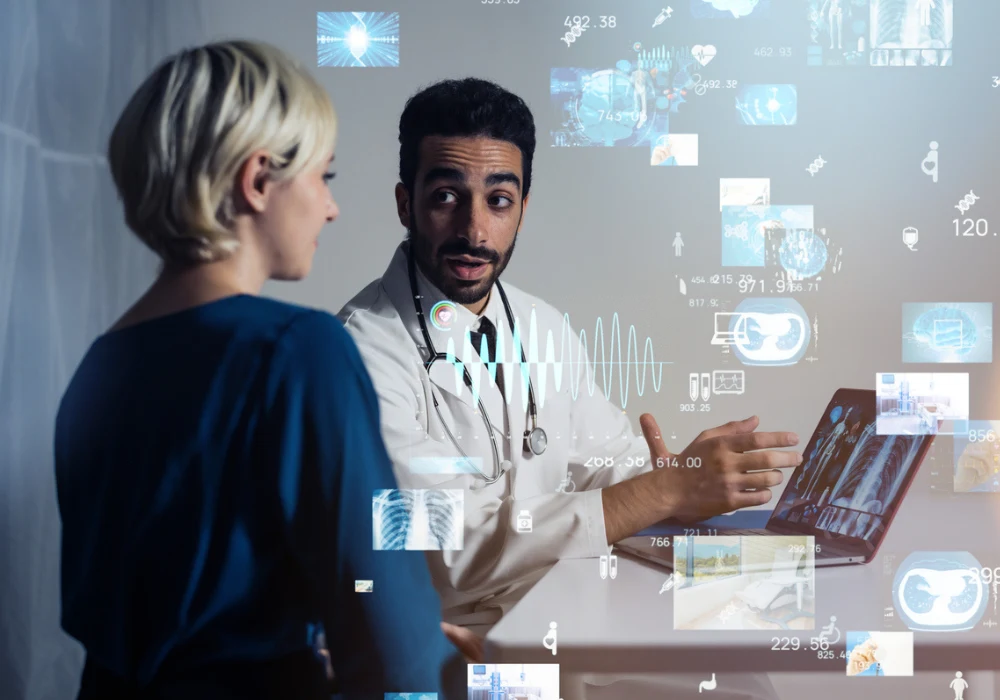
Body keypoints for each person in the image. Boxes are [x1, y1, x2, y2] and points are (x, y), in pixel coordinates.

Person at [338, 77, 802, 699]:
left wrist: (674, 474)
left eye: (499, 201)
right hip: (448, 645)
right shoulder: (361, 349)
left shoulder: (541, 326)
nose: (474, 229)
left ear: (523, 207)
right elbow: (442, 548)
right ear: (405, 203)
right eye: (447, 195)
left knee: (743, 678)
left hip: (565, 611)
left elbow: (606, 462)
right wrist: (660, 490)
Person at [54, 40, 471, 700]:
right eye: (323, 176)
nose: (331, 208)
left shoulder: (99, 368)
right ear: (257, 181)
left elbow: (185, 608)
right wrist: (416, 645)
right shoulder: (299, 351)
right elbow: (392, 647)